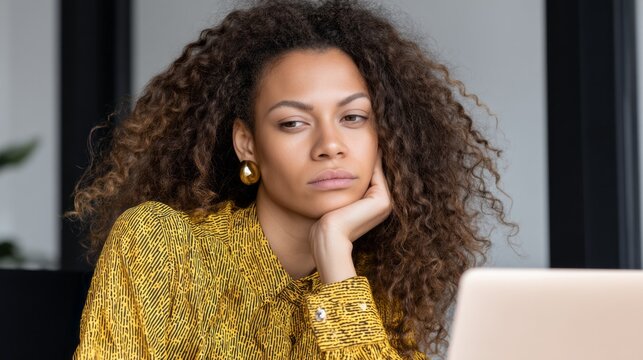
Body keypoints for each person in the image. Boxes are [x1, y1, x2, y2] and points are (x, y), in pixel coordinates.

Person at [68, 0, 514, 359]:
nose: (329, 145)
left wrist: (336, 260)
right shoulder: (161, 244)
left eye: (354, 117)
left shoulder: (375, 281)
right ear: (247, 144)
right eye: (293, 123)